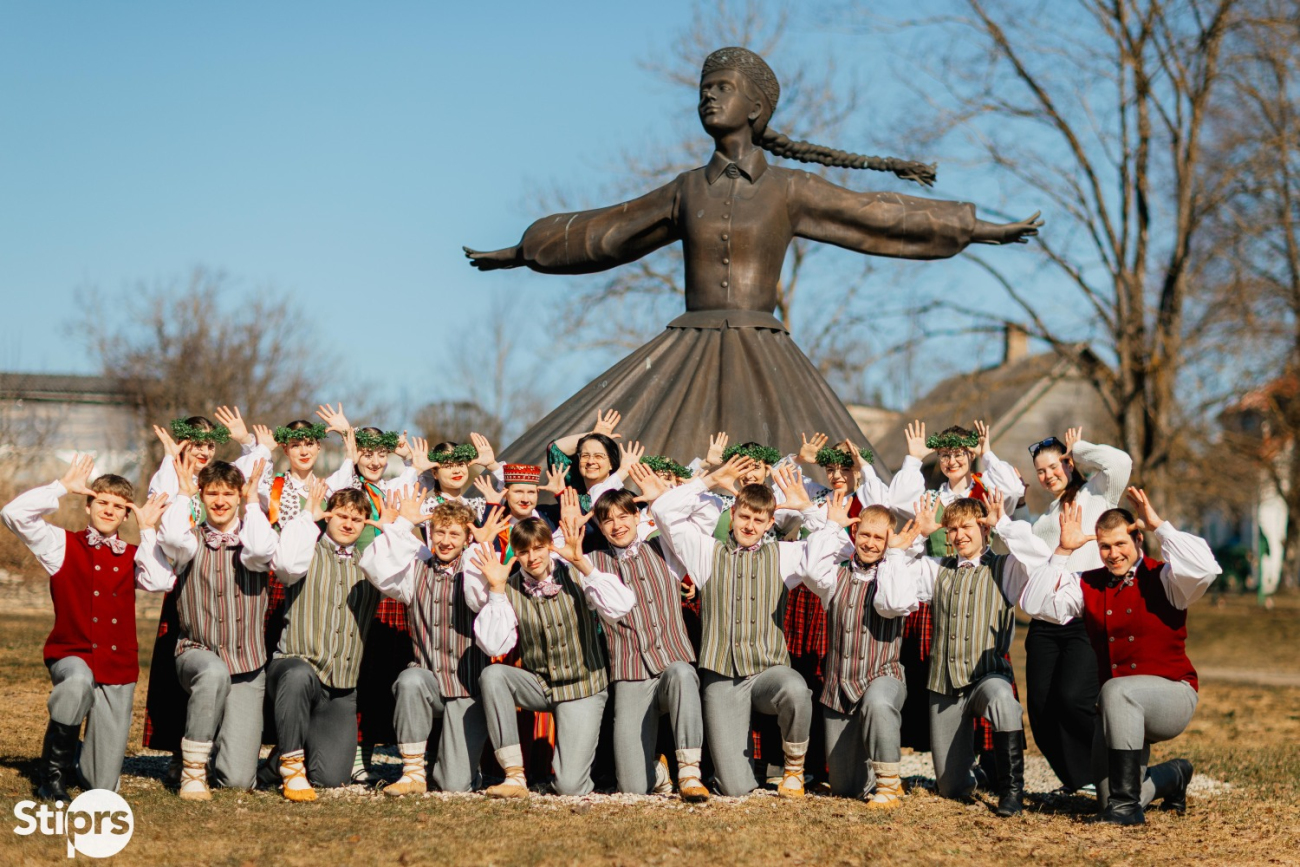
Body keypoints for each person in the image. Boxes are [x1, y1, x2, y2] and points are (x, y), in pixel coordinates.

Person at [467, 46, 1040, 467]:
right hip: (685, 344)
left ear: (755, 107)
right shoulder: (685, 189)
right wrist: (526, 249)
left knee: (804, 469)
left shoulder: (789, 189)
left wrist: (975, 227)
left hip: (764, 353)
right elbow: (608, 230)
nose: (708, 96)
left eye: (723, 87)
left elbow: (876, 213)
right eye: (704, 88)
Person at [645, 456, 841, 798]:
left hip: (768, 673)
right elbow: (663, 512)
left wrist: (809, 510)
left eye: (758, 520)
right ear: (732, 514)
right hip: (722, 674)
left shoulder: (784, 555)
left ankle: (794, 770)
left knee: (796, 689)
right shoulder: (706, 551)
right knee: (735, 788)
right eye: (745, 517)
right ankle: (711, 772)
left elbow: (835, 550)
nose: (750, 526)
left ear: (769, 523)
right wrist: (707, 481)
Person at [1021, 492, 1221, 825]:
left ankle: (1128, 811)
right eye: (1105, 546)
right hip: (1118, 711)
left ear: (1137, 539)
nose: (1113, 554)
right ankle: (1173, 776)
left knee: (1115, 690)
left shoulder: (1166, 578)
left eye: (1120, 544)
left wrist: (1160, 527)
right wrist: (1062, 552)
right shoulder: (1087, 584)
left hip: (1172, 696)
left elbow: (1206, 569)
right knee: (1107, 797)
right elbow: (1034, 604)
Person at [874, 491, 1053, 817]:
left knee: (1005, 702)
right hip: (945, 684)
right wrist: (917, 539)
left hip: (987, 676)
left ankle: (1011, 791)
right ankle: (978, 775)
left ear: (984, 528)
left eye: (966, 527)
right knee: (952, 788)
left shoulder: (1006, 567)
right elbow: (895, 586)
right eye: (953, 529)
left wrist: (1005, 524)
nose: (959, 535)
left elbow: (1041, 558)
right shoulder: (937, 569)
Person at [1, 456, 171, 799]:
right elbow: (13, 514)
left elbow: (161, 580)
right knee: (77, 684)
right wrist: (61, 487)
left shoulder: (133, 554)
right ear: (88, 506)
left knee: (101, 784)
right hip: (72, 653)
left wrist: (148, 530)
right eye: (102, 502)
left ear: (127, 515)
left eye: (119, 506)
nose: (109, 510)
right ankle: (52, 776)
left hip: (117, 665)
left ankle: (79, 754)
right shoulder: (61, 544)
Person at [889, 420, 1025, 777]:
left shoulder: (986, 489)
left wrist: (987, 453)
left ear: (970, 454)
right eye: (945, 455)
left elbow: (1013, 489)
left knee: (986, 666)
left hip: (984, 588)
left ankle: (993, 761)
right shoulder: (932, 498)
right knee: (938, 675)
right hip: (942, 588)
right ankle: (952, 757)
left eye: (959, 454)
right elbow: (897, 501)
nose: (952, 461)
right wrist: (913, 459)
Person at [469, 517, 636, 797]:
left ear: (549, 546)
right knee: (493, 675)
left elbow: (622, 606)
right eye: (524, 552)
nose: (532, 557)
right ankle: (514, 775)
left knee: (570, 787)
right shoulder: (510, 587)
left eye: (538, 548)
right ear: (516, 554)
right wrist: (496, 589)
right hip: (540, 684)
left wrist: (582, 564)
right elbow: (493, 646)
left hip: (583, 687)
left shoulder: (576, 573)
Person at [359, 498, 497, 795]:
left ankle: (462, 766)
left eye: (454, 534)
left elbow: (478, 600)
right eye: (440, 533)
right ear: (430, 534)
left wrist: (480, 548)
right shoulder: (415, 570)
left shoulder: (478, 569)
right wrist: (403, 525)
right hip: (428, 682)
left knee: (454, 785)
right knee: (409, 680)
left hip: (467, 687)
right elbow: (372, 567)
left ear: (467, 538)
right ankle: (412, 772)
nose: (445, 541)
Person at [156, 458, 275, 800]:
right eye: (212, 493)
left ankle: (219, 748)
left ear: (238, 496)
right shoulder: (189, 541)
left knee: (237, 779)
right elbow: (170, 537)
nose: (220, 501)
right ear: (202, 496)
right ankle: (193, 770)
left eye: (228, 493)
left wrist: (253, 502)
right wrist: (183, 493)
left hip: (247, 663)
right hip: (198, 652)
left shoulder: (254, 538)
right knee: (212, 673)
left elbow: (262, 549)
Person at [1023, 427, 1132, 794]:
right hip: (1046, 622)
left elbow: (1120, 462)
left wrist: (1080, 449)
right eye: (1041, 471)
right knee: (1040, 709)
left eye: (1054, 466)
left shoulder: (1097, 493)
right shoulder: (1043, 521)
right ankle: (1079, 780)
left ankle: (1118, 767)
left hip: (1087, 617)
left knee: (1073, 699)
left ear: (1069, 464)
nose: (1048, 475)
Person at [591, 469, 711, 801]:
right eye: (608, 520)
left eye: (623, 516)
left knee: (683, 673)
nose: (617, 525)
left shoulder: (664, 549)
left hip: (672, 664)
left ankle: (689, 772)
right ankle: (658, 771)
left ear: (637, 517)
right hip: (630, 674)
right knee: (632, 787)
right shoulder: (593, 562)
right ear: (600, 526)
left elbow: (704, 519)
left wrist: (664, 497)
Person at [264, 482, 385, 801]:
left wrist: (393, 532)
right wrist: (308, 517)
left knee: (332, 779)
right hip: (293, 668)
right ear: (328, 516)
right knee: (298, 674)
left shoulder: (372, 564)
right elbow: (285, 566)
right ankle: (291, 767)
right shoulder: (306, 551)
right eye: (342, 515)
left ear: (365, 525)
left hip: (341, 685)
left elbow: (401, 578)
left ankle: (276, 762)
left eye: (356, 519)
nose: (348, 524)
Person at [798, 498, 920, 808]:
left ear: (889, 541)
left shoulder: (899, 571)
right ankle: (870, 775)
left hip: (883, 676)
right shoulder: (835, 575)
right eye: (865, 534)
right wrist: (832, 526)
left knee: (878, 703)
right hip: (839, 687)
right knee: (845, 787)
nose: (870, 543)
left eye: (879, 538)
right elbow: (810, 571)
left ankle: (889, 785)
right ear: (855, 534)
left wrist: (895, 554)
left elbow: (892, 604)